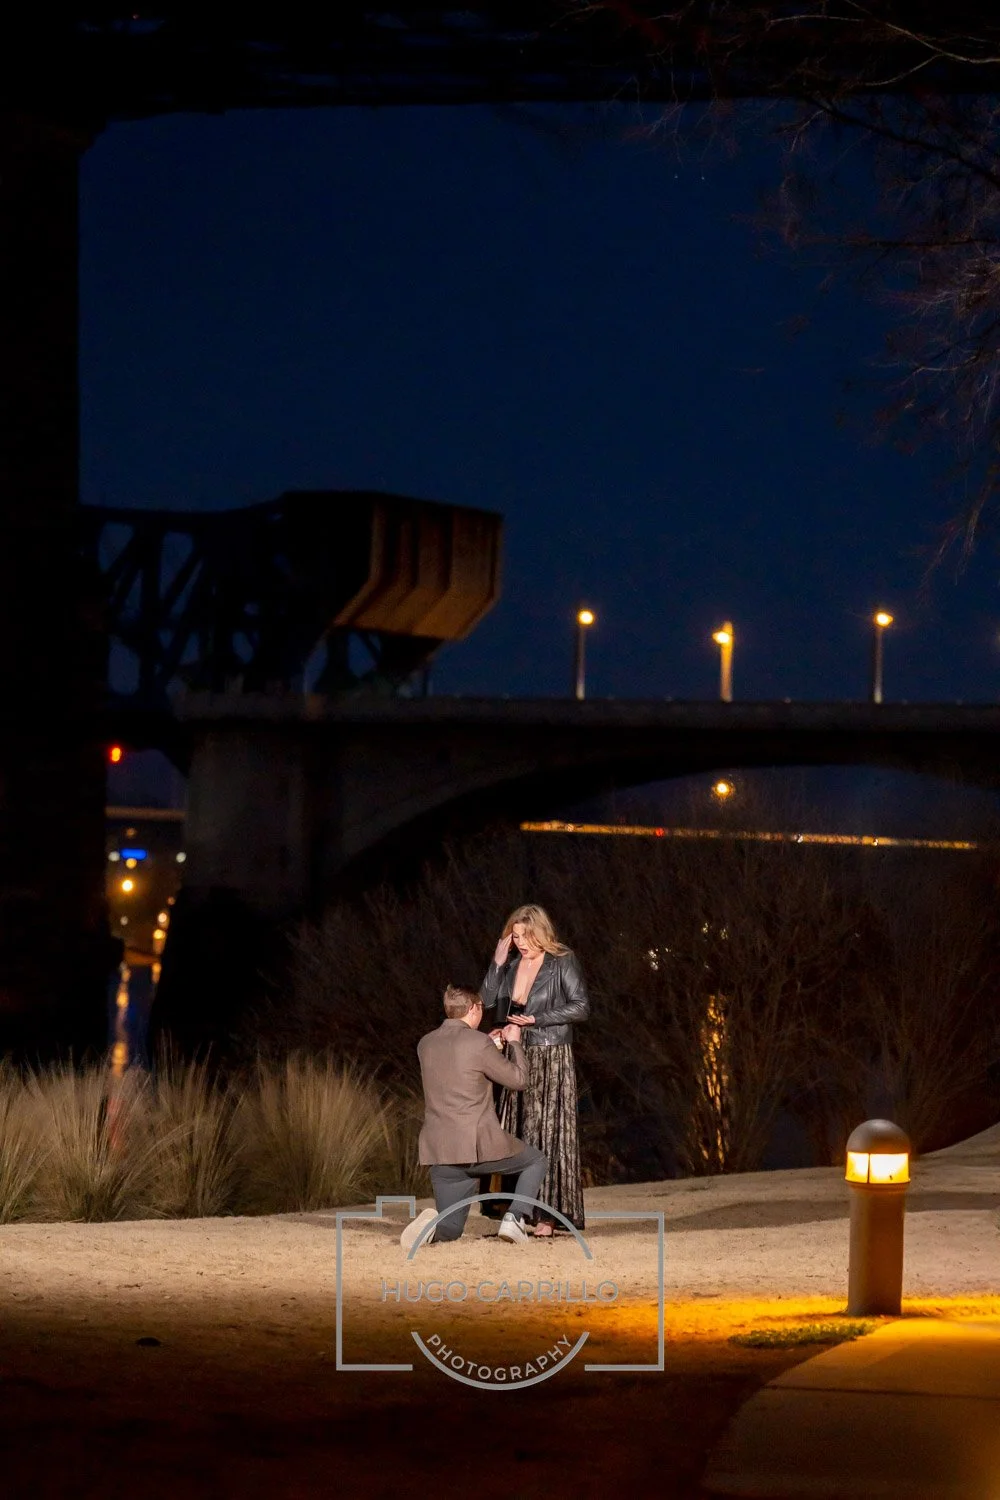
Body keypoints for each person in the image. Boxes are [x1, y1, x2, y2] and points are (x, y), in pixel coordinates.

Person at [402, 984, 548, 1252]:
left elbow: (459, 1065)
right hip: (478, 1147)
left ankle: (430, 1230)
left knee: (451, 1230)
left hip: (441, 1153)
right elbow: (518, 1080)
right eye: (481, 1007)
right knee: (536, 1161)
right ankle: (515, 1218)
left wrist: (490, 1047)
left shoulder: (426, 1044)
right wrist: (514, 1042)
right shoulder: (477, 1043)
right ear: (473, 1009)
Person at [480, 904, 589, 1236]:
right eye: (515, 936)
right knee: (520, 1132)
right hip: (519, 1052)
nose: (521, 942)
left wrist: (537, 1019)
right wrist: (497, 962)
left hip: (551, 1053)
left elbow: (581, 1006)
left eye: (526, 935)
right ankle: (519, 1210)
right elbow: (486, 1002)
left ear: (540, 931)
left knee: (549, 1131)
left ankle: (549, 1216)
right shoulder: (510, 966)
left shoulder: (561, 961)